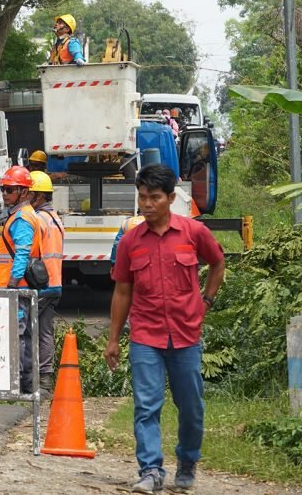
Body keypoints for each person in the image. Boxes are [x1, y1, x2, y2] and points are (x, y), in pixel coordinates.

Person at [104, 164, 224, 493]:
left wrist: (207, 301)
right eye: (142, 197)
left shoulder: (194, 233)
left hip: (186, 335)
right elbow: (122, 291)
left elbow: (217, 262)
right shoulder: (130, 242)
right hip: (145, 335)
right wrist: (113, 340)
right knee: (146, 404)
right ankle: (151, 470)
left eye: (154, 197)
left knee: (191, 405)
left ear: (171, 198)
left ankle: (187, 460)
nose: (147, 204)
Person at [0, 165, 42, 393]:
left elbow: (22, 252)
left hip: (15, 288)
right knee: (25, 334)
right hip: (20, 288)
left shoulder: (22, 218)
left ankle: (18, 382)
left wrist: (12, 283)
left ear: (24, 192)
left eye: (10, 190)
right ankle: (26, 381)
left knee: (17, 334)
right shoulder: (22, 215)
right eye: (3, 189)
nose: (5, 194)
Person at [28, 171, 62, 393]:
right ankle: (45, 379)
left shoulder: (38, 219)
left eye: (28, 193)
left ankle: (28, 378)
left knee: (26, 330)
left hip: (40, 283)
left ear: (39, 196)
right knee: (45, 332)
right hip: (55, 283)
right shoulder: (55, 218)